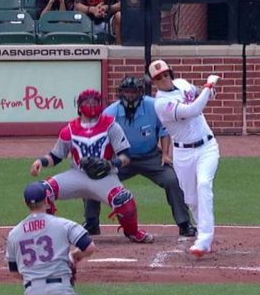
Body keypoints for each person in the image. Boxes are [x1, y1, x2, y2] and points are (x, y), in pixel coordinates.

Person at [29, 88, 154, 244]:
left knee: (124, 200)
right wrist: (41, 161)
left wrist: (109, 164)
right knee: (41, 191)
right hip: (77, 174)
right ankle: (48, 232)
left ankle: (133, 232)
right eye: (87, 102)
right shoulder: (69, 130)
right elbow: (56, 156)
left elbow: (125, 156)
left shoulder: (111, 125)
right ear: (79, 106)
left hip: (105, 176)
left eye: (95, 101)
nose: (92, 105)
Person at [82, 76, 196, 238]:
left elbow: (164, 131)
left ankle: (184, 223)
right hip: (121, 158)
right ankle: (92, 222)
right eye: (126, 92)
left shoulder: (153, 106)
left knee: (172, 180)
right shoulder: (111, 112)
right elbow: (99, 136)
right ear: (120, 93)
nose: (130, 95)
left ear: (140, 93)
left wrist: (165, 154)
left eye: (133, 92)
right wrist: (101, 159)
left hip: (150, 155)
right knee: (92, 178)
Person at [150, 59, 221, 258]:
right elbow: (192, 110)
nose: (164, 79)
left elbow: (197, 92)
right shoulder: (161, 103)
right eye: (158, 78)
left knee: (204, 184)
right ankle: (203, 233)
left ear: (170, 74)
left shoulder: (181, 83)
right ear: (154, 82)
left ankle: (204, 239)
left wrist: (208, 91)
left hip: (207, 146)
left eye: (165, 74)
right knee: (191, 199)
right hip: (183, 153)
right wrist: (209, 86)